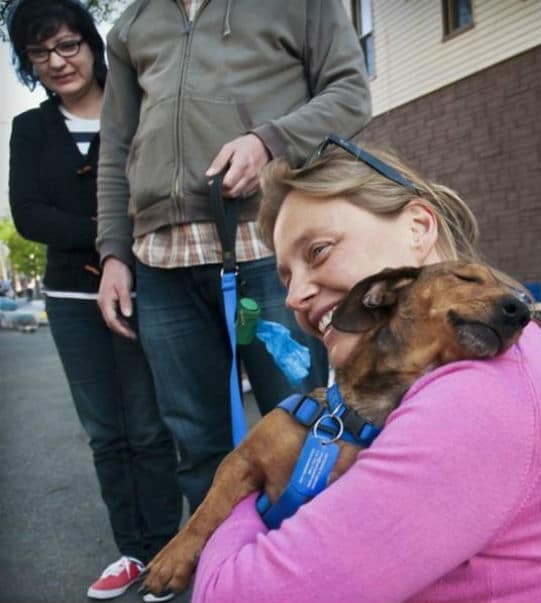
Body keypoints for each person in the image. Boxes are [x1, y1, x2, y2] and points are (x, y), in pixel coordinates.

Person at [190, 139, 541, 602]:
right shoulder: (500, 359)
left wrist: (245, 481)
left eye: (317, 251)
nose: (295, 296)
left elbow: (229, 595)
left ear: (418, 228)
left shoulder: (473, 403)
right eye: (285, 277)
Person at [95, 0, 371, 513]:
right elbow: (116, 147)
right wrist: (113, 252)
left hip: (268, 249)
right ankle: (229, 575)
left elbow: (352, 95)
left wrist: (270, 142)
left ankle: (316, 574)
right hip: (159, 262)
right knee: (198, 446)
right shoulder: (131, 25)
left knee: (300, 427)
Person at [6, 1, 181, 601]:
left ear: (90, 43)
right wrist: (110, 231)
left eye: (67, 45)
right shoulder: (29, 129)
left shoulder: (136, 107)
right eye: (39, 53)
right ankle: (132, 550)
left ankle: (166, 551)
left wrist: (119, 245)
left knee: (150, 427)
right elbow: (29, 216)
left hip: (146, 286)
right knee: (106, 432)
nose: (57, 62)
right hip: (70, 298)